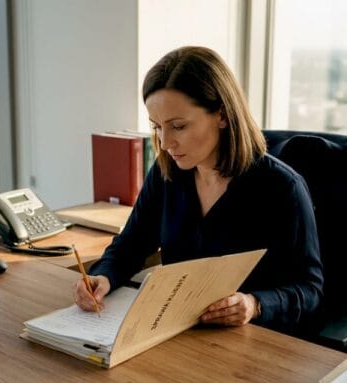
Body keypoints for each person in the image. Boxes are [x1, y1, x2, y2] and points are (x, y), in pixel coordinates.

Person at [74, 46, 323, 331]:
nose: (166, 143)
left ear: (222, 115)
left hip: (254, 342)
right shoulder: (167, 173)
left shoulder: (282, 188)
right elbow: (130, 245)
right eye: (157, 127)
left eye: (178, 126)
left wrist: (255, 304)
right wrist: (103, 276)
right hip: (180, 331)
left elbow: (310, 290)